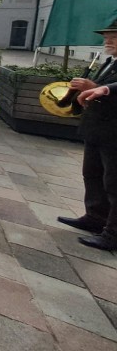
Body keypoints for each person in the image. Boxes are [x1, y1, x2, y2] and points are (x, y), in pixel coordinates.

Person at [58, 19, 117, 251]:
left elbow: (109, 91)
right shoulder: (110, 62)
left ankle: (112, 234)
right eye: (106, 36)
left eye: (114, 36)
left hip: (113, 134)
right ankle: (95, 217)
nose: (108, 40)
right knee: (92, 175)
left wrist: (94, 86)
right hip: (97, 131)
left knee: (114, 184)